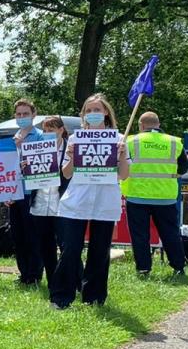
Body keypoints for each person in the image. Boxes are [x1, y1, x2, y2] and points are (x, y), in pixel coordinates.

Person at [50, 93, 130, 309]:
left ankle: (93, 297)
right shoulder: (75, 140)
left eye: (97, 110)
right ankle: (61, 297)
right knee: (71, 250)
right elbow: (66, 174)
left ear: (106, 112)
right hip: (76, 202)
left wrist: (121, 155)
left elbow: (124, 175)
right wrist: (72, 157)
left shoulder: (119, 139)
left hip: (105, 202)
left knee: (100, 250)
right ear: (83, 115)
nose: (93, 114)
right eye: (89, 110)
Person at [121, 112, 188, 276]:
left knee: (140, 235)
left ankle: (143, 268)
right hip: (165, 197)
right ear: (158, 124)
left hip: (137, 196)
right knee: (170, 233)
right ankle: (178, 267)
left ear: (141, 125)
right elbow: (183, 169)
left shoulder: (129, 141)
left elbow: (121, 166)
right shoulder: (174, 142)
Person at [29, 116, 71, 291]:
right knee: (45, 246)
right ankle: (53, 281)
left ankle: (73, 281)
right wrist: (27, 166)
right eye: (45, 130)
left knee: (67, 246)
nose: (47, 134)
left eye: (51, 130)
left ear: (61, 130)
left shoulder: (71, 148)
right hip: (40, 204)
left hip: (62, 204)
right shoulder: (36, 149)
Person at [9, 99, 45, 285]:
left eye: (25, 114)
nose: (22, 117)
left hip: (33, 193)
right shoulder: (11, 140)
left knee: (33, 236)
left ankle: (35, 274)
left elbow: (45, 165)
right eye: (19, 114)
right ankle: (23, 274)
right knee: (18, 236)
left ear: (33, 115)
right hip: (14, 195)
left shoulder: (40, 136)